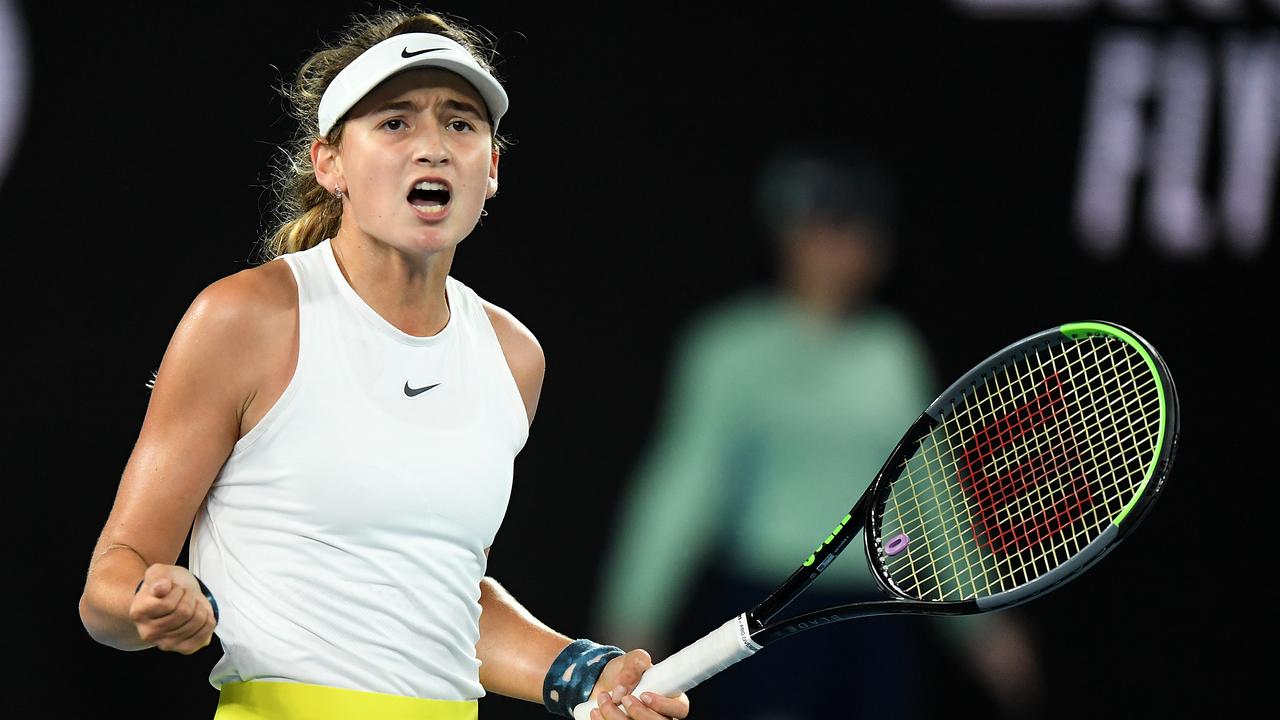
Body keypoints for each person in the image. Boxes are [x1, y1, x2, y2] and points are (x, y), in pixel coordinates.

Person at [76, 9, 690, 720]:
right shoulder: (246, 318)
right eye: (395, 123)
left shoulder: (512, 355)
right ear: (329, 163)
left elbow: (441, 597)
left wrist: (584, 673)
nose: (432, 146)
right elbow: (109, 586)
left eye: (460, 123)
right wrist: (151, 604)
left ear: (491, 168)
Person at [592, 143, 1045, 719]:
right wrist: (631, 618)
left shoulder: (892, 352)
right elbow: (681, 489)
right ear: (786, 236)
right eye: (818, 227)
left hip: (871, 620)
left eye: (854, 230)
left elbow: (931, 498)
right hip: (767, 615)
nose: (836, 248)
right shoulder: (730, 348)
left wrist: (984, 629)